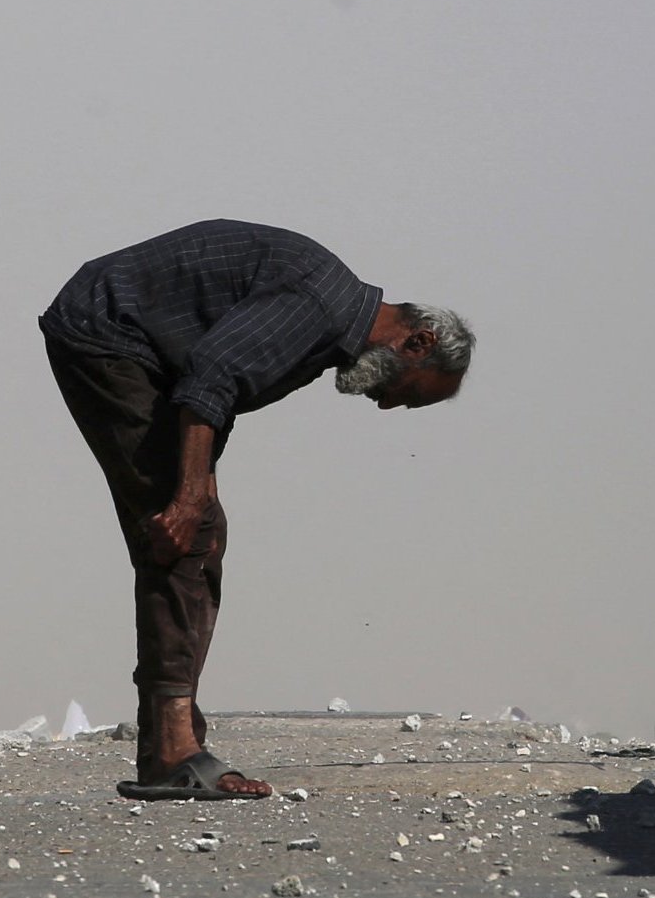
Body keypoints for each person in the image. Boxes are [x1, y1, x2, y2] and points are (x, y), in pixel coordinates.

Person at [40, 219, 474, 800]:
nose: (387, 404)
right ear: (417, 343)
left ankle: (170, 747)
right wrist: (189, 496)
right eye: (410, 393)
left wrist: (199, 489)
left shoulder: (328, 327)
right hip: (106, 332)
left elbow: (219, 390)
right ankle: (174, 752)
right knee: (182, 536)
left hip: (134, 346)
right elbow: (212, 377)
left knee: (200, 533)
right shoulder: (319, 308)